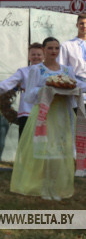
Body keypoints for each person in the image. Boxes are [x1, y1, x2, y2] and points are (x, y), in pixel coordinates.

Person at [10, 37, 86, 200]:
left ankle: (55, 186)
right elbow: (29, 95)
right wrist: (46, 90)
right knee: (45, 151)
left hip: (61, 115)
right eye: (50, 48)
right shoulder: (37, 70)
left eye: (56, 48)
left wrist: (68, 89)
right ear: (44, 50)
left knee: (59, 151)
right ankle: (44, 186)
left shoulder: (66, 71)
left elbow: (77, 86)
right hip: (44, 115)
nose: (54, 51)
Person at [0, 42, 43, 137]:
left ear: (44, 56)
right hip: (26, 111)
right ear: (29, 56)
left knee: (42, 141)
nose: (36, 57)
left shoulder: (49, 71)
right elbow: (9, 82)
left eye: (39, 54)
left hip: (44, 110)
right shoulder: (23, 71)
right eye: (33, 54)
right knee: (24, 140)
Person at [59, 14, 86, 82]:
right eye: (81, 23)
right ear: (77, 25)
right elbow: (61, 66)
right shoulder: (66, 45)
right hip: (76, 81)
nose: (84, 26)